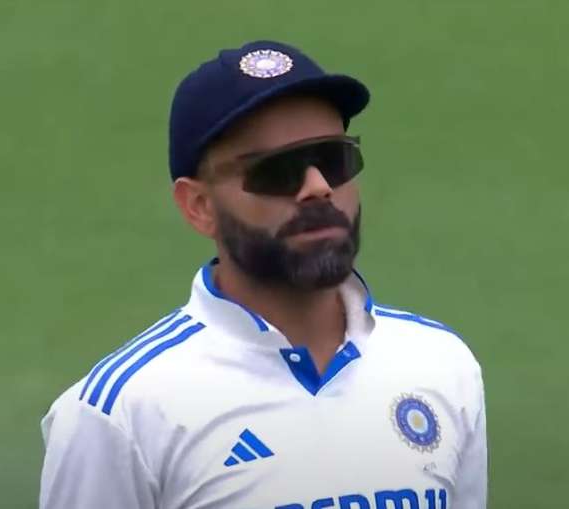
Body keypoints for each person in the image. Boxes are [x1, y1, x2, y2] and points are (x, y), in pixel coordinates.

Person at [39, 40, 488, 509]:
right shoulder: (122, 413)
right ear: (199, 206)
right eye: (277, 171)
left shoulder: (442, 365)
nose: (317, 187)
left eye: (333, 160)